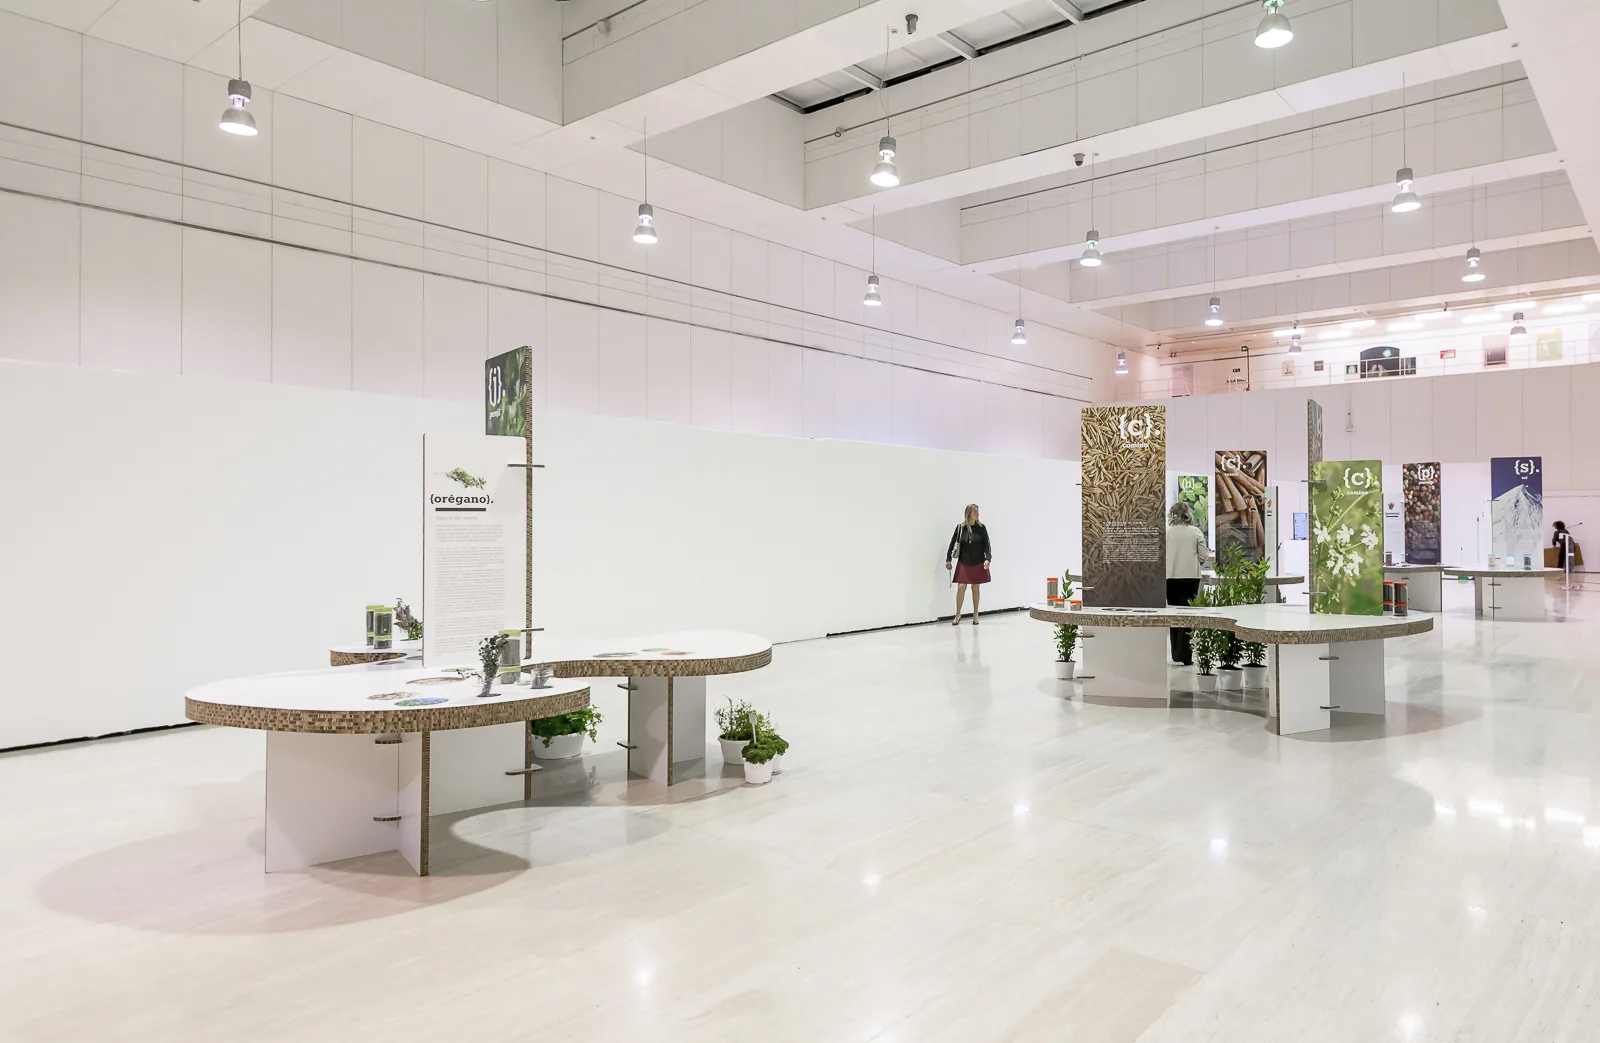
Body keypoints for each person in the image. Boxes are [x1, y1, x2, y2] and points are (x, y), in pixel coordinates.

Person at [1166, 502, 1212, 665]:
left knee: (1173, 615)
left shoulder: (1166, 532)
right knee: (1187, 615)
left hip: (1170, 578)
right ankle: (1186, 656)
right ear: (1188, 514)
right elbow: (1204, 555)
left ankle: (1175, 654)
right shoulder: (1195, 532)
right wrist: (1195, 563)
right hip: (1190, 578)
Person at [945, 504, 991, 625]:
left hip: (978, 561)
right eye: (975, 512)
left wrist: (988, 559)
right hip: (964, 561)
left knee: (975, 587)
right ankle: (958, 614)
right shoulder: (960, 528)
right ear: (969, 513)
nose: (978, 514)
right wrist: (948, 559)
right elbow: (952, 543)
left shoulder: (981, 528)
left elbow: (987, 544)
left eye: (978, 512)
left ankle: (975, 614)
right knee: (961, 587)